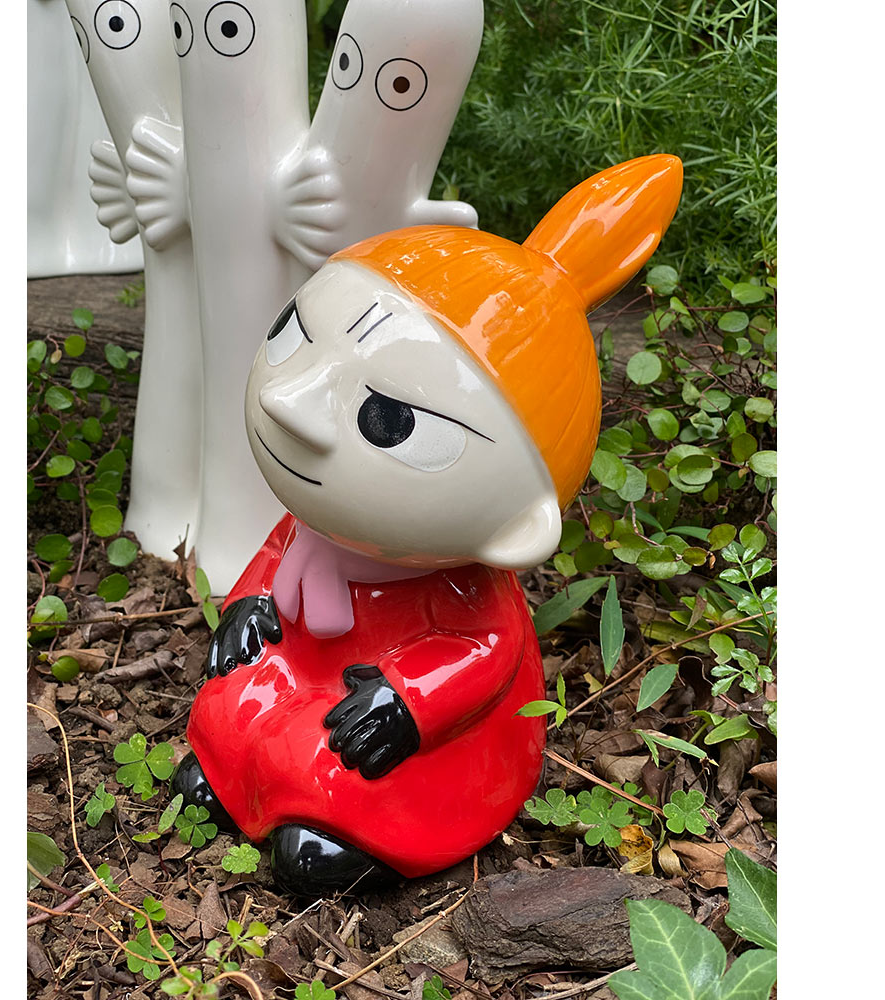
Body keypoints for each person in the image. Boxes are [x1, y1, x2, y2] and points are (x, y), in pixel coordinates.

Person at [174, 155, 683, 895]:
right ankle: (234, 778)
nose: (291, 402)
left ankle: (341, 833)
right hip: (301, 662)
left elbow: (482, 650)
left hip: (395, 710)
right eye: (294, 335)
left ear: (515, 527)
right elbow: (277, 552)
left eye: (391, 420)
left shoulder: (458, 584)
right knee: (234, 703)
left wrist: (405, 701)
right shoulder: (310, 524)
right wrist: (250, 603)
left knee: (336, 762)